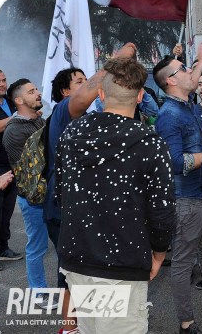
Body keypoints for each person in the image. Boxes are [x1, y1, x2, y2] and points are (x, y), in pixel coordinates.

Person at [56, 57, 176, 334]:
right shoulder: (150, 142)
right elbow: (162, 209)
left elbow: (60, 193)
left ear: (100, 94)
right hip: (123, 262)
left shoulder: (71, 132)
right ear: (141, 95)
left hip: (78, 257)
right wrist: (159, 254)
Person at [45, 44, 138, 333]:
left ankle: (90, 323)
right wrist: (116, 62)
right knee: (71, 271)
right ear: (65, 92)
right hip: (64, 209)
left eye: (87, 80)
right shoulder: (64, 112)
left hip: (87, 209)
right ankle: (69, 327)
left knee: (89, 272)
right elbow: (84, 95)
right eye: (79, 81)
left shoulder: (92, 119)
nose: (88, 85)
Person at [154, 48, 202, 334]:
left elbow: (192, 76)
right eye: (184, 69)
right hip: (185, 201)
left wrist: (201, 61)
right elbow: (175, 162)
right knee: (183, 264)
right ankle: (186, 323)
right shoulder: (169, 116)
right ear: (171, 80)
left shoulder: (186, 105)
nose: (191, 73)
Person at [2, 79, 57, 309]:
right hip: (34, 199)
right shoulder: (15, 130)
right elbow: (36, 164)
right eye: (31, 91)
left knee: (62, 244)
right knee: (37, 247)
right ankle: (38, 293)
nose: (38, 93)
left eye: (36, 89)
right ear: (18, 100)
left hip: (51, 193)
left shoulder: (37, 120)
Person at [0, 67, 21, 273]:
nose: (2, 84)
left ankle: (2, 247)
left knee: (7, 210)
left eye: (3, 80)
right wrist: (15, 118)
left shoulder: (10, 101)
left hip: (11, 164)